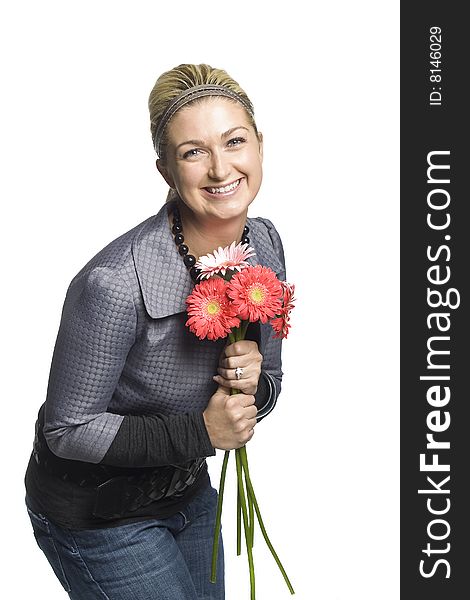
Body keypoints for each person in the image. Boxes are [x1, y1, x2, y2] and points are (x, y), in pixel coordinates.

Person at [24, 63, 286, 600]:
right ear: (166, 169)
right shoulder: (114, 283)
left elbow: (269, 385)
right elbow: (67, 429)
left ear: (260, 146)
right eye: (193, 152)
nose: (220, 169)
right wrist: (202, 433)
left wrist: (253, 388)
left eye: (234, 141)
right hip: (97, 511)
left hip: (184, 487)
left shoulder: (265, 247)